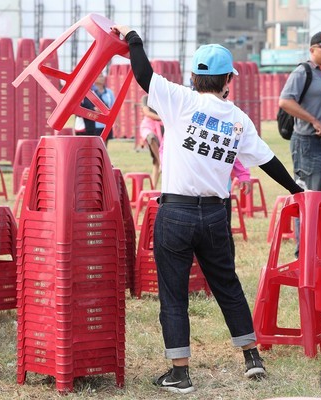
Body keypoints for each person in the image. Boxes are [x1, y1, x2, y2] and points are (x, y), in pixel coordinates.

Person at [111, 24, 304, 394]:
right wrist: (297, 191)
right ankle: (252, 359)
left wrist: (134, 40)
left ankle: (180, 374)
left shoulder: (181, 100)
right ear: (228, 79)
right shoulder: (237, 119)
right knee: (227, 284)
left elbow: (144, 75)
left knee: (173, 293)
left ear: (196, 77)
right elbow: (268, 162)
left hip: (176, 214)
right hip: (215, 214)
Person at [278, 31, 321, 257]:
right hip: (308, 143)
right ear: (312, 50)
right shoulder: (303, 72)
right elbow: (285, 101)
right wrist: (314, 121)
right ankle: (306, 251)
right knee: (309, 197)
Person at [75, 73, 116, 144]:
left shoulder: (107, 92)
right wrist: (94, 110)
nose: (102, 78)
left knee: (103, 146)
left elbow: (110, 108)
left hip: (101, 124)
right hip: (88, 125)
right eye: (100, 76)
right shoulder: (85, 92)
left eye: (102, 76)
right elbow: (79, 109)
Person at [140, 94, 164, 189]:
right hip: (150, 126)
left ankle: (153, 188)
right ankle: (162, 163)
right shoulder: (146, 98)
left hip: (162, 128)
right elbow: (147, 113)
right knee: (151, 137)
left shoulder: (163, 98)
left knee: (155, 162)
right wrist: (162, 118)